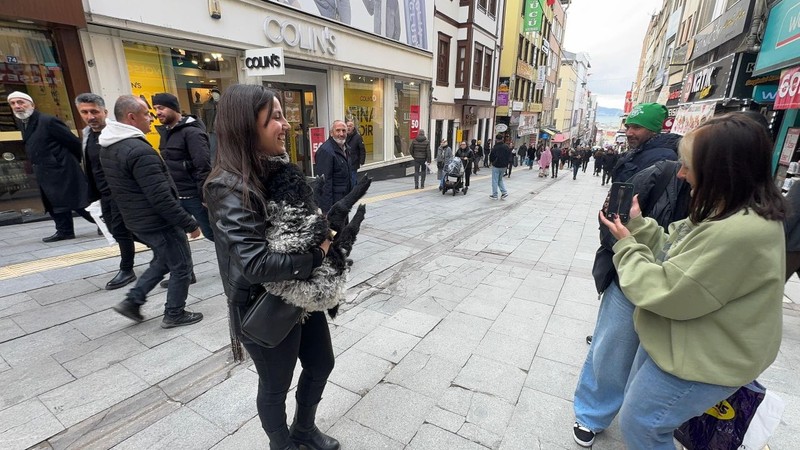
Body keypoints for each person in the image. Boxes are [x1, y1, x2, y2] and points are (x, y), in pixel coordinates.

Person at [595, 114, 785, 449]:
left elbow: (667, 291)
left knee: (643, 425)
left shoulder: (738, 231)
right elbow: (677, 255)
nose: (681, 173)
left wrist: (625, 246)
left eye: (687, 165)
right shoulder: (731, 210)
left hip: (701, 358)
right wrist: (638, 226)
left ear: (722, 169)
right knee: (642, 418)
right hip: (680, 343)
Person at [203, 84, 339, 450]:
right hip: (261, 305)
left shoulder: (278, 171)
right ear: (248, 126)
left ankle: (304, 430)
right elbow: (256, 263)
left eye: (283, 115)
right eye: (276, 117)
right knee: (276, 386)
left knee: (321, 364)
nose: (286, 124)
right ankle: (282, 445)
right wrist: (318, 255)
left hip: (299, 294)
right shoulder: (227, 186)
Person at [100, 95, 203, 329]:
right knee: (181, 266)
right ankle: (174, 313)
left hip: (137, 220)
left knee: (163, 260)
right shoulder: (138, 150)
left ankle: (133, 302)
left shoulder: (110, 145)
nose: (151, 117)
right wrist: (189, 223)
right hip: (158, 221)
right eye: (147, 113)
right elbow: (161, 197)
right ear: (131, 117)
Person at [8, 91, 94, 242]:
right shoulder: (23, 122)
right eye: (13, 103)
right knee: (54, 202)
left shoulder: (48, 121)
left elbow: (73, 142)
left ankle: (106, 223)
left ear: (32, 105)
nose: (17, 106)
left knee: (78, 201)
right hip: (45, 170)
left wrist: (65, 161)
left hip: (62, 169)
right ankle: (64, 230)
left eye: (21, 102)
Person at [75, 93, 137, 290]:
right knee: (118, 230)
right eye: (85, 112)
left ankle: (127, 269)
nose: (90, 116)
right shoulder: (87, 135)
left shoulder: (115, 133)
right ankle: (166, 252)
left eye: (94, 111)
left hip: (120, 191)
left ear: (104, 112)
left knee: (121, 230)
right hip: (103, 194)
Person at [152, 93, 214, 241]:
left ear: (174, 108)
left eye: (161, 108)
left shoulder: (192, 132)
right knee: (173, 236)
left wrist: (203, 196)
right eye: (155, 108)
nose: (157, 112)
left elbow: (203, 166)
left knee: (212, 234)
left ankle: (233, 261)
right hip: (176, 195)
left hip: (194, 197)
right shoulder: (166, 132)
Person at [612, 103, 679, 183]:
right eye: (628, 127)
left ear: (653, 130)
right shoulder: (636, 152)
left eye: (636, 127)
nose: (628, 133)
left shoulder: (664, 158)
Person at [314, 120, 352, 213]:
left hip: (344, 200)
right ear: (331, 133)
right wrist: (327, 210)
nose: (341, 134)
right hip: (334, 203)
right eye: (338, 130)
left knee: (344, 226)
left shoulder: (346, 148)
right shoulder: (326, 151)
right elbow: (324, 182)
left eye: (344, 131)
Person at [345, 119, 366, 188]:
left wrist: (361, 161)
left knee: (353, 178)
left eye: (350, 126)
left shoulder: (358, 137)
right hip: (345, 161)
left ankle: (354, 191)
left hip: (353, 161)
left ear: (353, 127)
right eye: (347, 126)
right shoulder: (344, 136)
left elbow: (362, 149)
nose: (348, 127)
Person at [489, 134, 510, 200]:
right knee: (500, 179)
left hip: (496, 165)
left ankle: (495, 195)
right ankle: (504, 192)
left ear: (496, 139)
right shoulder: (506, 146)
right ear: (502, 139)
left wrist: (492, 162)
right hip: (504, 166)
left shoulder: (495, 147)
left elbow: (491, 156)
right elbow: (509, 156)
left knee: (495, 180)